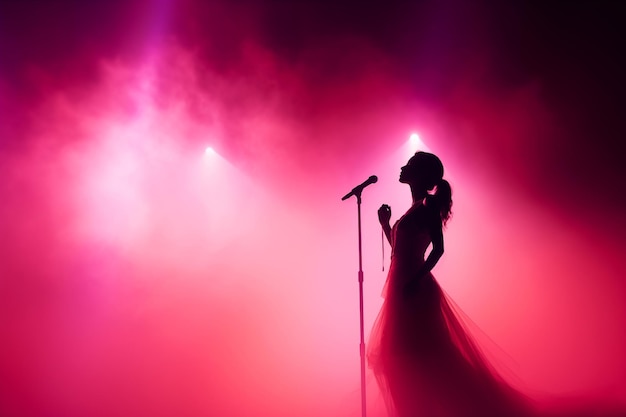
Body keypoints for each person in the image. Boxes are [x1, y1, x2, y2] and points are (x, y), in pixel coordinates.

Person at [367, 151, 531, 417]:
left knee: (419, 358)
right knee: (399, 358)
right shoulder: (415, 206)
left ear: (419, 174)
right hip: (403, 288)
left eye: (408, 165)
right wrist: (386, 226)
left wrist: (416, 280)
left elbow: (438, 249)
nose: (401, 168)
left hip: (414, 291)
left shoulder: (427, 206)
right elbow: (399, 251)